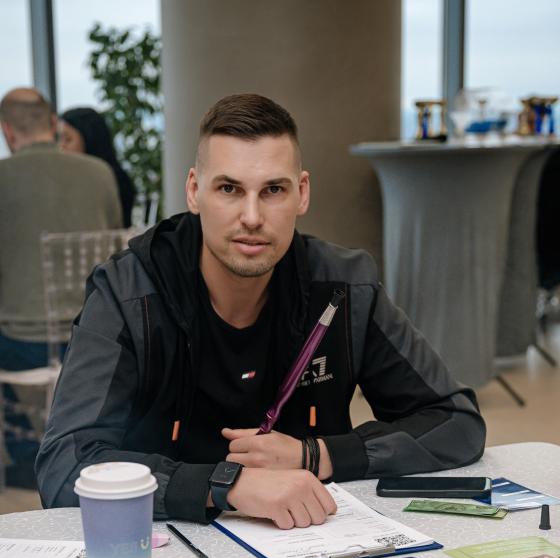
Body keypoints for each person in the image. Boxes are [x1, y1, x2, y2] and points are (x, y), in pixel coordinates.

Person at [36, 93, 486, 527]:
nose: (252, 217)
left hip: (313, 538)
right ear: (194, 191)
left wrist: (316, 455)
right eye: (229, 188)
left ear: (302, 193)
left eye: (273, 190)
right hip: (164, 551)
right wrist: (226, 486)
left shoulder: (343, 286)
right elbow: (64, 463)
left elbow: (456, 421)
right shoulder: (128, 293)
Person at [0, 88, 122, 484]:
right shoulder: (99, 173)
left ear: (7, 131)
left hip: (21, 344)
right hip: (97, 338)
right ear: (53, 124)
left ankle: (26, 456)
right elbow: (117, 253)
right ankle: (83, 447)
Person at [59, 107, 136, 227]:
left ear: (89, 140)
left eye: (68, 140)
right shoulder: (64, 179)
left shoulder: (114, 180)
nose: (61, 147)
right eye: (59, 139)